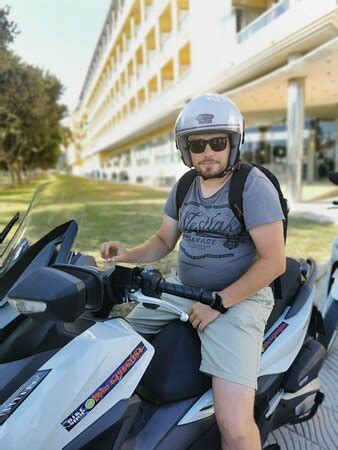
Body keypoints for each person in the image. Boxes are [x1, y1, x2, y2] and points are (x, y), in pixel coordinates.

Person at [100, 93, 286, 450]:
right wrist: (128, 253)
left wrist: (219, 303)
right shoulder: (185, 185)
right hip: (183, 289)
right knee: (113, 343)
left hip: (238, 298)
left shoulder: (252, 185)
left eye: (218, 142)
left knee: (233, 423)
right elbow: (163, 240)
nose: (207, 152)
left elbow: (273, 262)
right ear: (185, 149)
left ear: (234, 143)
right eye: (197, 144)